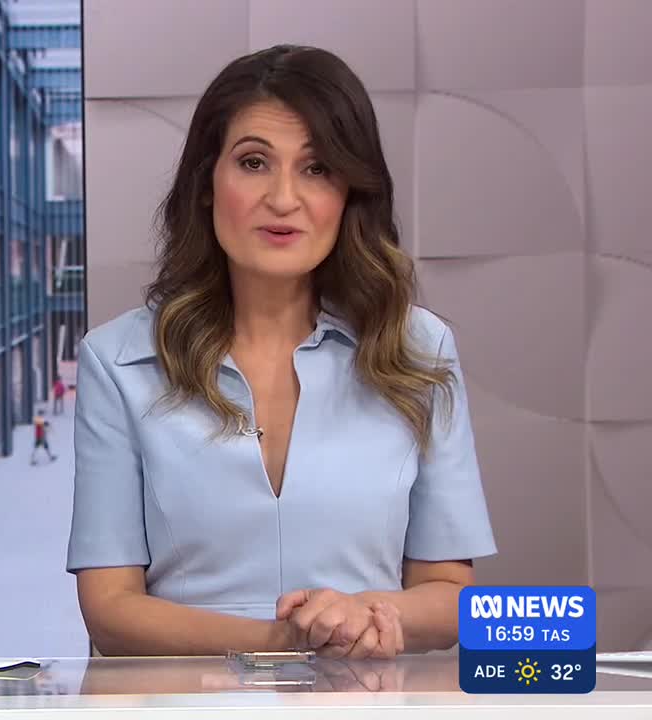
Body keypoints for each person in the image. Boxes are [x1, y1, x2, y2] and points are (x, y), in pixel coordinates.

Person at [66, 45, 496, 659]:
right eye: (254, 162)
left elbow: (451, 594)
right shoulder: (116, 362)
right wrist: (285, 642)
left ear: (350, 193)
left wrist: (365, 615)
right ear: (207, 183)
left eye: (317, 168)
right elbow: (110, 611)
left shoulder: (419, 351)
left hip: (363, 701)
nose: (284, 198)